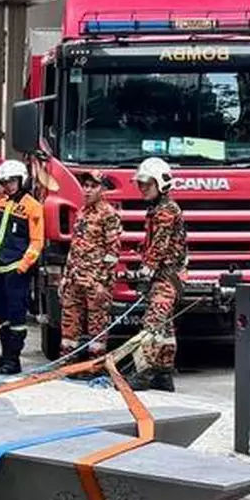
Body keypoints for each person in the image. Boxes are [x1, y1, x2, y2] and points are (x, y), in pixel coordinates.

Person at [0, 160, 43, 375]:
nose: (8, 186)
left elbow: (37, 241)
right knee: (0, 316)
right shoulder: (0, 202)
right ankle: (4, 356)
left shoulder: (32, 206)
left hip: (16, 270)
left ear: (22, 180)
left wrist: (23, 266)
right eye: (5, 182)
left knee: (16, 318)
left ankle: (13, 360)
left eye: (12, 181)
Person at [131, 157, 187, 392]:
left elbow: (160, 245)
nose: (142, 188)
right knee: (165, 328)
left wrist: (146, 269)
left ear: (161, 183)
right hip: (166, 275)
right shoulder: (158, 209)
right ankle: (164, 374)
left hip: (167, 276)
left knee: (151, 324)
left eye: (147, 184)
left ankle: (143, 374)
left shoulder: (166, 212)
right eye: (140, 184)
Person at [59, 170, 122, 364]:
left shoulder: (109, 214)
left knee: (97, 325)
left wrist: (102, 282)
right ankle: (67, 362)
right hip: (75, 278)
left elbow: (113, 253)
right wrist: (65, 277)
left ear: (102, 189)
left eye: (93, 186)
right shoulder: (81, 212)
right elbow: (75, 246)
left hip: (95, 281)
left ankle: (96, 365)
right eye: (85, 186)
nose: (87, 190)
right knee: (70, 321)